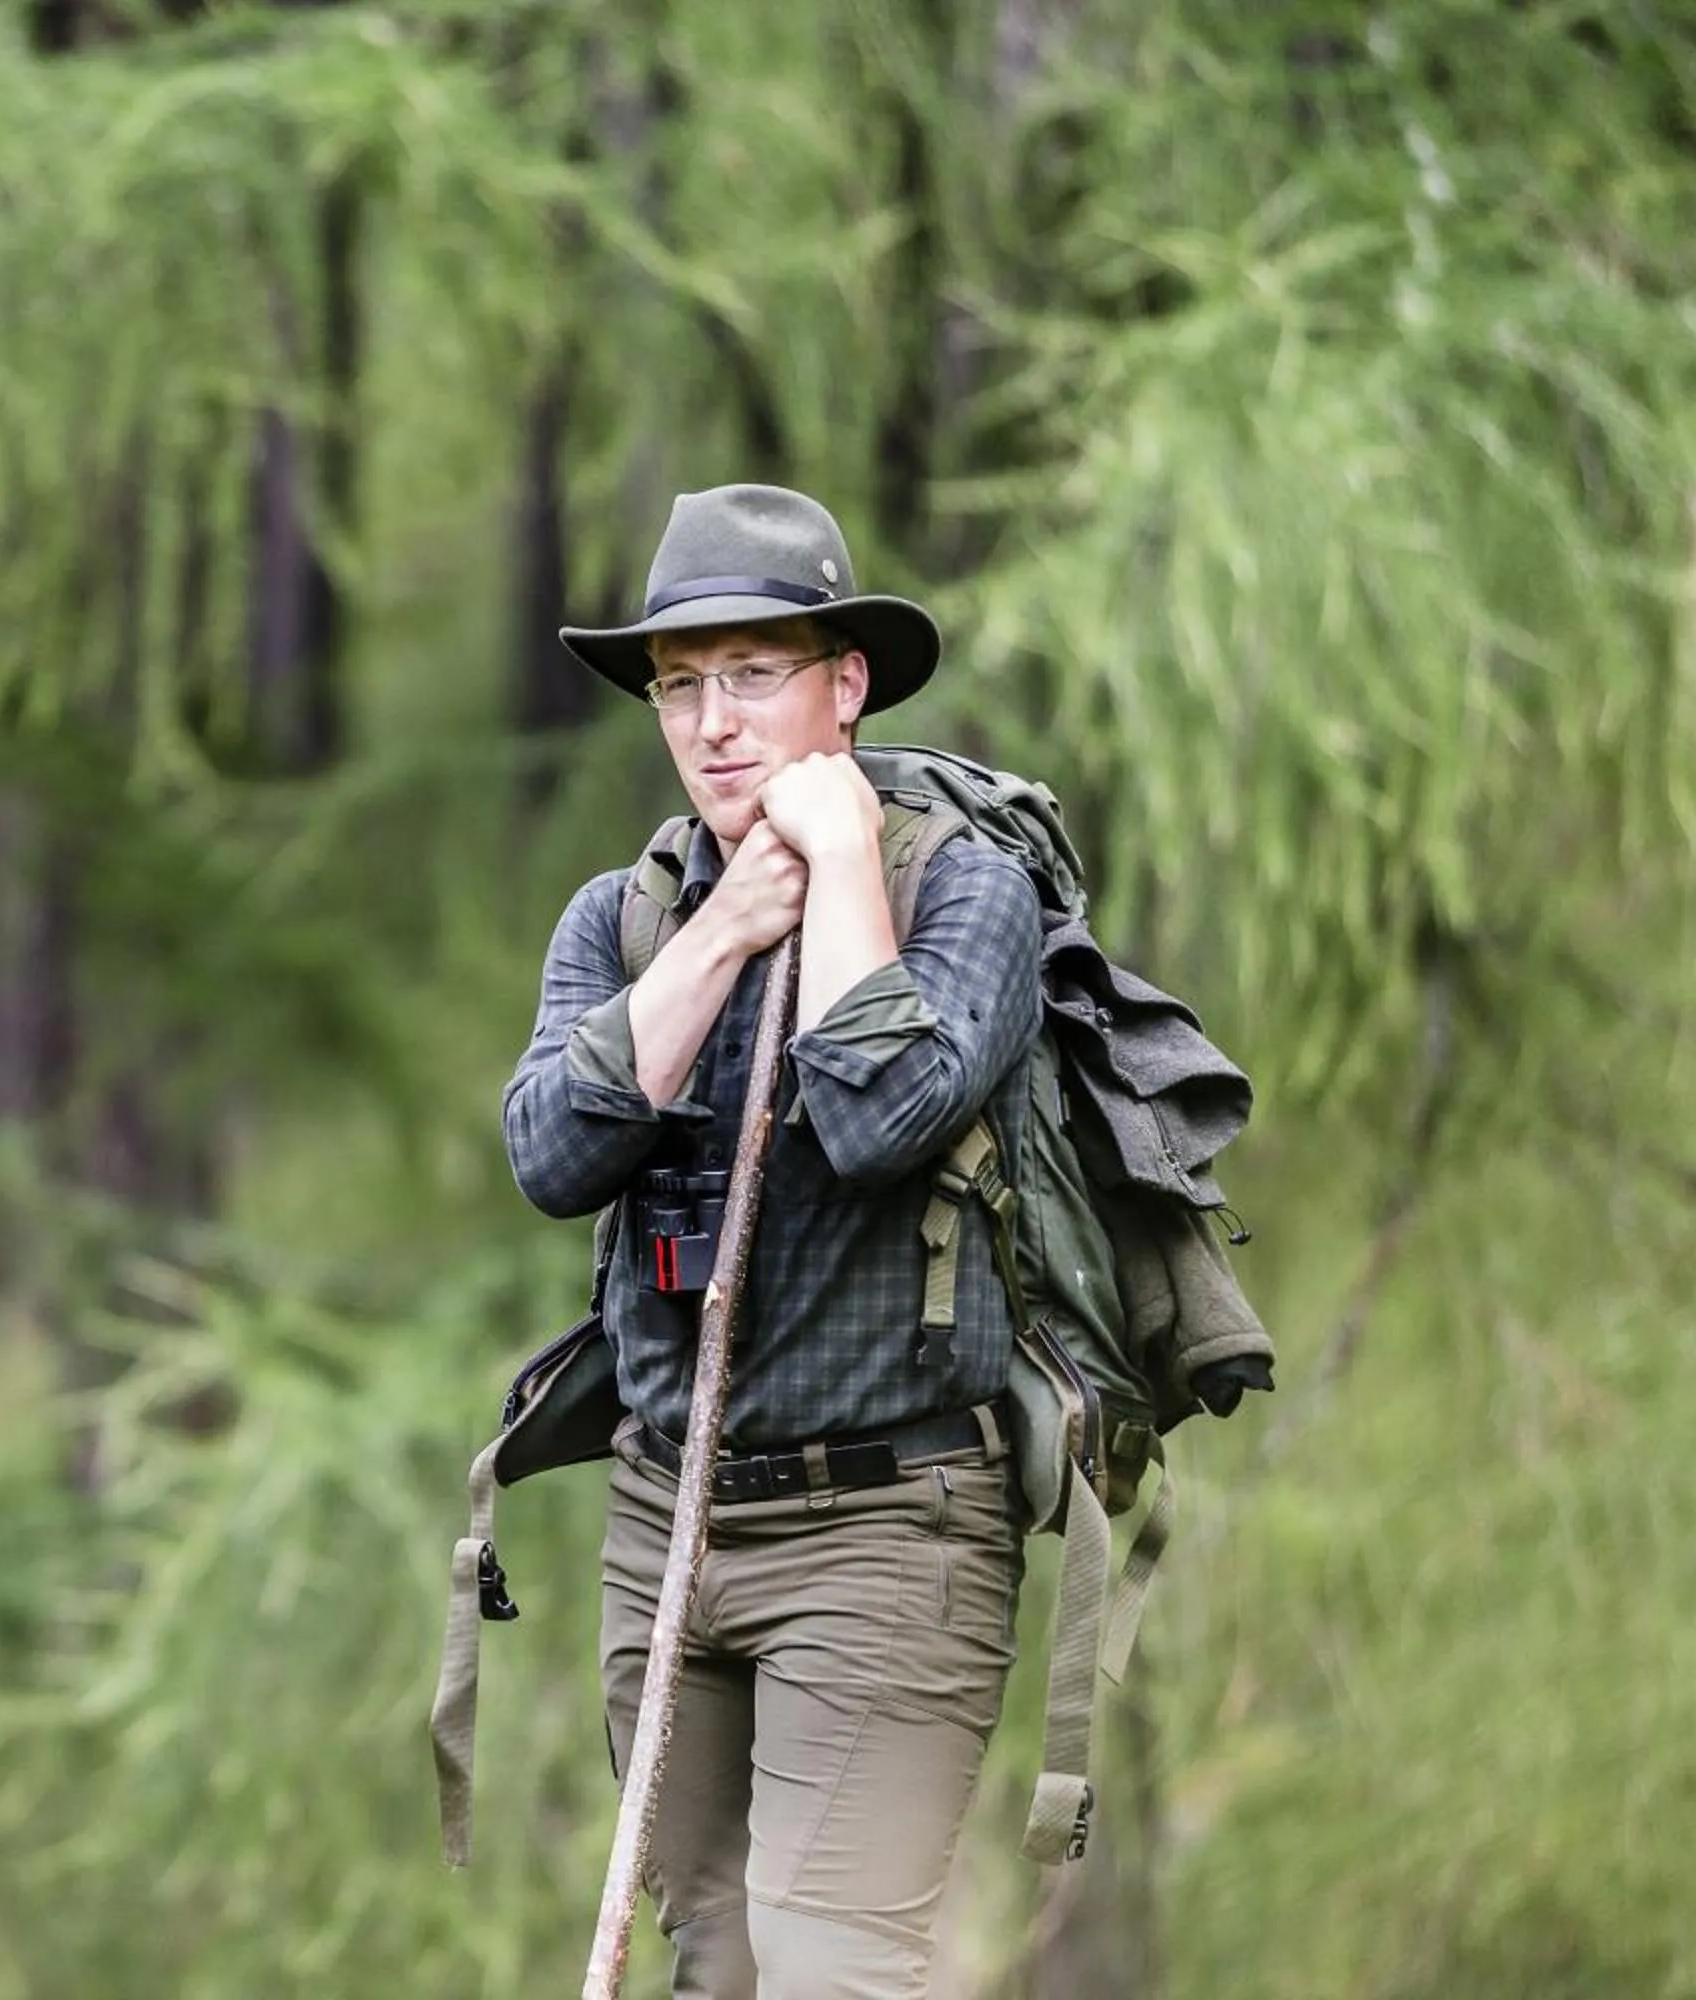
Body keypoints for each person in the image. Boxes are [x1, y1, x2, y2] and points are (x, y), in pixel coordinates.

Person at [502, 483, 1038, 2000]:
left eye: (754, 676)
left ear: (844, 684)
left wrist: (842, 868)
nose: (712, 723)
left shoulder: (965, 894)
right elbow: (550, 1151)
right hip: (665, 1520)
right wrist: (727, 931)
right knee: (719, 1963)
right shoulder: (624, 917)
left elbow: (880, 1122)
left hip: (886, 1527)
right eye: (682, 686)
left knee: (833, 1970)